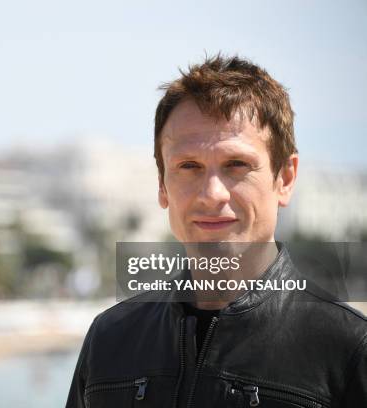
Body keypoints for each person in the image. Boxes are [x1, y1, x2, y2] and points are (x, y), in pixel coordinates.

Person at [65, 55, 367, 408]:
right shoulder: (108, 339)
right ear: (162, 185)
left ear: (285, 178)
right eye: (188, 166)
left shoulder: (349, 349)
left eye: (236, 165)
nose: (212, 194)